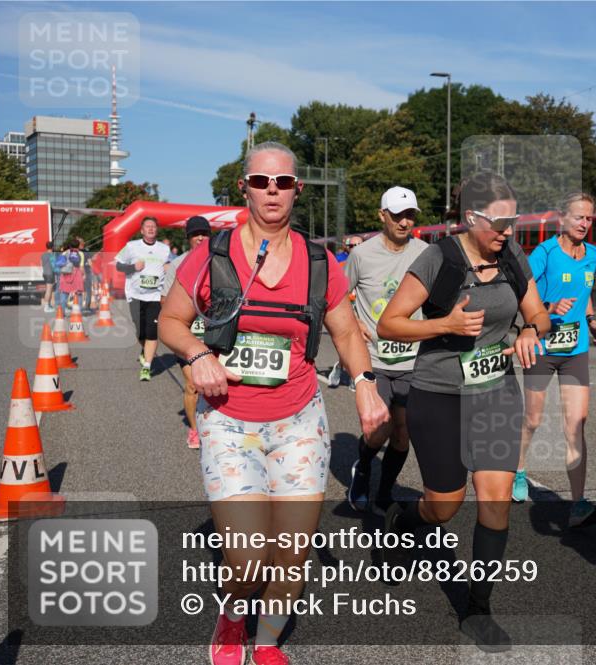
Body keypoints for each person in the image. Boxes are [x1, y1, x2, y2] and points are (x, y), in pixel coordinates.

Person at [159, 141, 388, 665]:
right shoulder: (210, 256)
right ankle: (234, 613)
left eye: (282, 182)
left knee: (291, 555)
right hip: (230, 422)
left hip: (300, 420)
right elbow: (171, 321)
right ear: (244, 187)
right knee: (248, 557)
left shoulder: (318, 262)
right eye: (261, 182)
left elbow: (347, 332)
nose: (271, 191)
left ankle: (264, 643)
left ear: (296, 190)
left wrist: (366, 382)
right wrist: (196, 354)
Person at [377, 171, 550, 652]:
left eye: (513, 220)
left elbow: (537, 311)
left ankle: (478, 610)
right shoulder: (438, 260)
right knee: (445, 505)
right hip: (439, 394)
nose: (508, 231)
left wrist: (532, 330)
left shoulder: (512, 257)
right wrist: (445, 324)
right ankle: (406, 520)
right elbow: (389, 325)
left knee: (494, 501)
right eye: (498, 222)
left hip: (496, 390)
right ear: (471, 218)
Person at [514, 193, 596, 527]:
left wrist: (592, 320)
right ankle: (519, 470)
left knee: (576, 426)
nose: (584, 224)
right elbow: (522, 291)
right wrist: (549, 310)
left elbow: (587, 290)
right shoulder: (545, 253)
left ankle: (578, 504)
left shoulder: (593, 254)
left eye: (589, 219)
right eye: (579, 217)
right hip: (541, 347)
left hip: (576, 350)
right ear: (562, 219)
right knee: (533, 420)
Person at [344, 186, 428, 514]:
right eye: (397, 215)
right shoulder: (361, 255)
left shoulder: (425, 253)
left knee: (403, 433)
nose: (405, 222)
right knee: (377, 430)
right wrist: (352, 322)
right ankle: (363, 467)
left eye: (410, 215)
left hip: (412, 359)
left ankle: (384, 492)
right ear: (382, 215)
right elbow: (335, 297)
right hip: (374, 358)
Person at [162, 216, 212, 449]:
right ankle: (194, 430)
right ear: (188, 238)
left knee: (217, 384)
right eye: (195, 234)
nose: (200, 237)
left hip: (215, 332)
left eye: (204, 233)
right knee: (193, 384)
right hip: (188, 333)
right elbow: (165, 301)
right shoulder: (177, 264)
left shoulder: (220, 261)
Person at [116, 217, 173, 381]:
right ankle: (145, 350)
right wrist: (133, 267)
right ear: (142, 230)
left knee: (152, 332)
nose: (151, 229)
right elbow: (118, 265)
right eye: (147, 226)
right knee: (140, 332)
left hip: (155, 296)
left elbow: (170, 266)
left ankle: (147, 367)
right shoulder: (132, 246)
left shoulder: (164, 249)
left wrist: (169, 267)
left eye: (153, 226)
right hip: (135, 295)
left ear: (157, 230)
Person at [327, 235, 363, 388]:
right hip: (345, 304)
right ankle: (342, 366)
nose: (356, 248)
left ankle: (356, 375)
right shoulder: (339, 260)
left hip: (362, 305)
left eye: (359, 245)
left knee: (362, 341)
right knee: (349, 340)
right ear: (347, 247)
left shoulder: (369, 259)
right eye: (353, 246)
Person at [57, 241, 85, 313]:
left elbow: (60, 264)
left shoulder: (65, 253)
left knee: (64, 293)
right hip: (76, 274)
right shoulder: (80, 254)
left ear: (70, 246)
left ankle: (62, 313)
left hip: (66, 275)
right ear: (78, 246)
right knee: (79, 294)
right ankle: (79, 312)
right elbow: (81, 267)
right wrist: (84, 275)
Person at [41, 241, 56, 312]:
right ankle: (46, 307)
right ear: (52, 247)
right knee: (49, 290)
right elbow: (54, 266)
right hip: (50, 273)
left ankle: (48, 305)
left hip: (45, 273)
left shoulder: (43, 255)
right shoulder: (52, 255)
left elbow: (41, 263)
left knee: (49, 289)